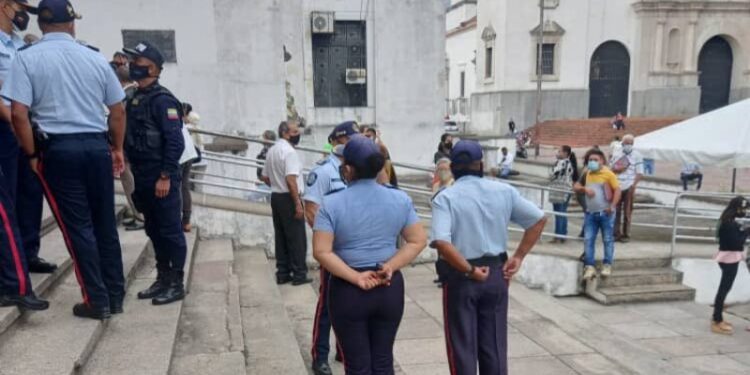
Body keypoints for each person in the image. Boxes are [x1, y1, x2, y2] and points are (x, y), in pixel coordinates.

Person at [3, 0, 125, 319]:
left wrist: (31, 154)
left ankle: (96, 299)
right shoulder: (95, 57)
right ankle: (114, 294)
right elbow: (117, 110)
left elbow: (18, 113)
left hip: (59, 151)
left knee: (77, 227)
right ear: (71, 24)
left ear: (41, 26)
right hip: (97, 148)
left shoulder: (26, 58)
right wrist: (117, 148)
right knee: (104, 223)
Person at [313, 134, 427, 374]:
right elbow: (417, 240)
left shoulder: (331, 204)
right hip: (388, 285)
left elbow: (321, 251)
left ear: (348, 169)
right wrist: (391, 266)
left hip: (348, 289)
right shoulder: (400, 199)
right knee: (383, 360)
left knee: (357, 364)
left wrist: (356, 278)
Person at [431, 140, 546, 375]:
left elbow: (442, 243)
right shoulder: (504, 191)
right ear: (480, 164)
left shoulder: (446, 197)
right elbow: (538, 219)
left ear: (452, 167)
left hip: (461, 276)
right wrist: (519, 256)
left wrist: (470, 271)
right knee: (494, 344)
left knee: (462, 347)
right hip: (496, 273)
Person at [123, 41, 187, 306]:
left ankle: (176, 282)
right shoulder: (135, 97)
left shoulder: (164, 101)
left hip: (160, 177)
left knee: (170, 231)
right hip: (142, 176)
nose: (132, 66)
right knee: (154, 229)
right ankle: (163, 277)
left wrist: (166, 176)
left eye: (138, 62)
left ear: (152, 67)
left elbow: (175, 142)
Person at [0, 0, 49, 311]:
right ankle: (14, 278)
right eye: (20, 8)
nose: (24, 16)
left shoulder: (18, 44)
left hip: (23, 125)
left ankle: (27, 252)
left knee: (28, 192)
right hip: (7, 125)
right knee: (7, 203)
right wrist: (16, 122)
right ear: (5, 6)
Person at [304, 122, 356, 375]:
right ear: (339, 140)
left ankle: (342, 350)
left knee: (348, 302)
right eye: (351, 139)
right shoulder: (324, 171)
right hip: (333, 250)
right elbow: (311, 210)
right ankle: (320, 356)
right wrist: (328, 244)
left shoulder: (355, 169)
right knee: (326, 304)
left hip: (352, 249)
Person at [261, 121, 310, 285]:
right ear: (285, 133)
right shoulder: (289, 152)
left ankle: (282, 272)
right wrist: (297, 203)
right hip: (289, 197)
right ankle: (299, 274)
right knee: (297, 238)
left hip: (276, 197)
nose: (297, 134)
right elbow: (291, 180)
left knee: (281, 236)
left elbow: (265, 177)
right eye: (294, 131)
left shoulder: (272, 150)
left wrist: (276, 185)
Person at [574, 149, 621, 280]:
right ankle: (589, 267)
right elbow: (576, 186)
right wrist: (584, 189)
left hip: (606, 214)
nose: (592, 162)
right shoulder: (586, 172)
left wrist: (612, 206)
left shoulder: (608, 174)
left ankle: (607, 265)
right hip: (590, 213)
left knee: (607, 239)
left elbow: (617, 190)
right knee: (588, 239)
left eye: (596, 160)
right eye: (590, 160)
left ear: (602, 161)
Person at [711, 197, 749, 335]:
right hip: (729, 258)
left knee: (725, 288)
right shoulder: (729, 223)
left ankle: (718, 317)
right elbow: (736, 244)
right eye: (743, 209)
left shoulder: (727, 220)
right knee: (724, 289)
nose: (744, 212)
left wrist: (742, 231)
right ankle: (716, 320)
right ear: (737, 208)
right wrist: (746, 231)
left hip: (728, 257)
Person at [610, 134, 643, 242]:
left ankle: (626, 235)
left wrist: (633, 186)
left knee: (627, 212)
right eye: (625, 143)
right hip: (617, 186)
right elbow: (611, 168)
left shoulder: (637, 155)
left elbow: (639, 173)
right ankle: (616, 233)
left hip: (629, 186)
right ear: (622, 143)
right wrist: (618, 168)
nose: (627, 145)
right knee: (616, 211)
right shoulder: (617, 153)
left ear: (632, 144)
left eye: (630, 143)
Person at [549, 145, 578, 243]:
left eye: (559, 151)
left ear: (565, 153)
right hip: (563, 190)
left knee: (559, 213)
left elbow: (553, 174)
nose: (557, 153)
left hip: (560, 190)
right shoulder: (568, 163)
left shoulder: (563, 163)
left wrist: (550, 174)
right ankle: (562, 234)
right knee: (562, 213)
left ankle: (558, 235)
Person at [179, 104, 199, 233]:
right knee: (184, 187)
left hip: (180, 155)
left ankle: (178, 220)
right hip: (189, 154)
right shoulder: (179, 121)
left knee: (176, 188)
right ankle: (186, 222)